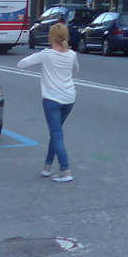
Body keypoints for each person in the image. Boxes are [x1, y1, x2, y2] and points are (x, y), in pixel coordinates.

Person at [17, 22, 80, 182]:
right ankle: (47, 167)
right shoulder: (72, 54)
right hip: (69, 98)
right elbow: (75, 69)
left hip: (52, 99)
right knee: (56, 132)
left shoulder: (46, 54)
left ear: (51, 37)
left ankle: (65, 170)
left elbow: (21, 64)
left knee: (56, 134)